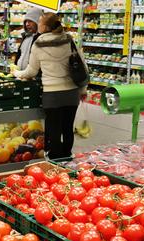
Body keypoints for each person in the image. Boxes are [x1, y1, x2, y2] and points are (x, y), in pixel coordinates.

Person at [13, 13, 86, 160]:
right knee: (67, 127)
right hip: (71, 92)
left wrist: (16, 72)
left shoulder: (39, 43)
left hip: (52, 94)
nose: (37, 24)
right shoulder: (68, 39)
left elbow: (31, 71)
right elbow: (81, 64)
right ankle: (67, 157)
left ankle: (55, 160)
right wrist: (83, 89)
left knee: (53, 128)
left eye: (39, 22)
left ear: (45, 26)